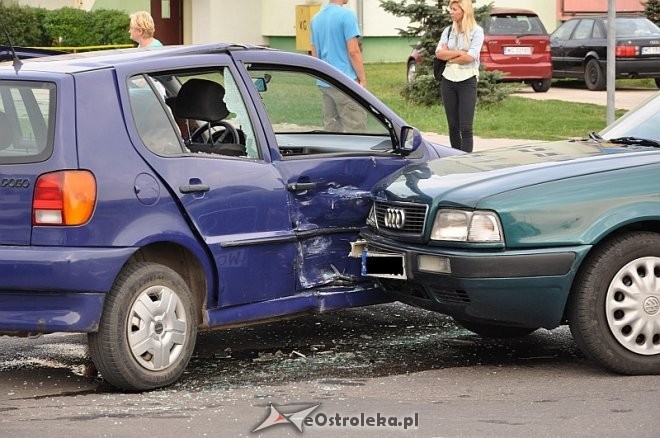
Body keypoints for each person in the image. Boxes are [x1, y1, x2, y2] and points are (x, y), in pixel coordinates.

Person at [435, 0, 484, 153]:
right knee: (453, 126)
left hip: (467, 80)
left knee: (466, 127)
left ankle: (466, 160)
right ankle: (455, 158)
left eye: (455, 9)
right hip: (448, 80)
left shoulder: (477, 31)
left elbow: (470, 58)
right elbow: (439, 53)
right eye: (451, 9)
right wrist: (459, 53)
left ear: (464, 11)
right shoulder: (448, 31)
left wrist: (449, 56)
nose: (451, 12)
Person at [310, 0, 367, 132]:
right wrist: (362, 79)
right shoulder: (347, 15)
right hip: (345, 83)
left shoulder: (316, 19)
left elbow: (314, 55)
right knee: (356, 130)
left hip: (325, 82)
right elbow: (353, 51)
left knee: (332, 133)